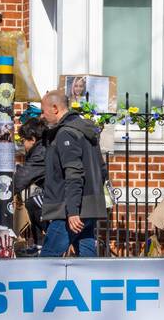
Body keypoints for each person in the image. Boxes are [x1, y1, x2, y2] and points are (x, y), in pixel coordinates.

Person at [40, 89, 108, 257]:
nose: (42, 116)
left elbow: (74, 173)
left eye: (43, 111)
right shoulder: (85, 131)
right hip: (88, 206)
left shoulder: (66, 133)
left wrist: (73, 211)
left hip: (69, 210)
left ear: (55, 108)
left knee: (47, 260)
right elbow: (102, 169)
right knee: (87, 261)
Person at [14, 115, 49, 254]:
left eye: (24, 141)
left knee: (33, 202)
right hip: (58, 193)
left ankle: (41, 243)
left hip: (60, 197)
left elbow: (22, 179)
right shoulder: (43, 147)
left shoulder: (40, 153)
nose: (24, 146)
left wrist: (4, 193)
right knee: (32, 202)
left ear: (33, 139)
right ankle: (39, 242)